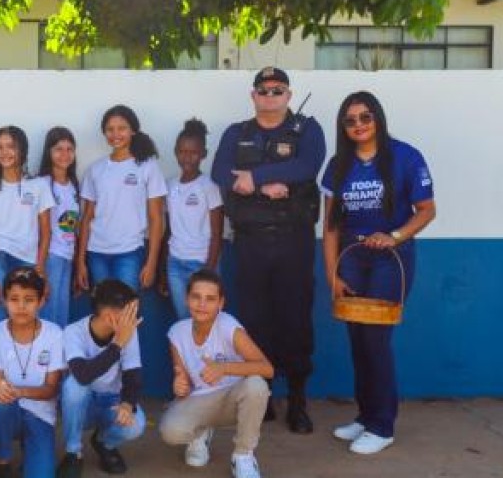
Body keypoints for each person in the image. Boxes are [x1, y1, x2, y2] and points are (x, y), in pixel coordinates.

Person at [210, 67, 326, 434]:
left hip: (294, 241)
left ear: (289, 95)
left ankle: (297, 400)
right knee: (255, 321)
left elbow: (307, 166)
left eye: (278, 90)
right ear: (253, 95)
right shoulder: (237, 133)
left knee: (295, 319)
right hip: (251, 242)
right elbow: (220, 171)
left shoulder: (307, 130)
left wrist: (254, 177)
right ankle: (263, 396)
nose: (270, 96)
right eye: (264, 90)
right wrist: (265, 187)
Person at [321, 91, 436, 455]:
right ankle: (366, 415)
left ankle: (382, 426)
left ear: (378, 119)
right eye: (350, 120)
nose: (358, 125)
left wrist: (394, 236)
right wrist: (332, 274)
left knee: (375, 339)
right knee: (357, 339)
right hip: (353, 257)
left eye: (365, 117)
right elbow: (331, 227)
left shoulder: (406, 156)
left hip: (391, 258)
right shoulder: (338, 164)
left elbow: (427, 209)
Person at [158, 269, 273, 478]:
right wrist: (180, 386)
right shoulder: (176, 332)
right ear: (186, 299)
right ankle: (200, 434)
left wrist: (224, 368)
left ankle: (243, 455)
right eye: (196, 297)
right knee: (170, 431)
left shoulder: (229, 327)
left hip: (232, 398)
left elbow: (267, 369)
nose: (202, 304)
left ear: (221, 303)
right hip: (201, 400)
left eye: (210, 299)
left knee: (257, 385)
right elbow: (184, 382)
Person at [0, 267, 64, 478]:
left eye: (29, 300)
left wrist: (20, 391)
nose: (21, 306)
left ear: (41, 301)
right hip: (10, 411)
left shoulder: (54, 334)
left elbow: (51, 389)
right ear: (4, 300)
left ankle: (32, 452)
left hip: (40, 415)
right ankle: (3, 463)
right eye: (14, 299)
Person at [56, 279, 146, 478]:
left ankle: (104, 443)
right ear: (109, 316)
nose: (136, 319)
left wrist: (127, 405)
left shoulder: (129, 332)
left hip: (110, 402)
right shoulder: (73, 331)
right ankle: (73, 453)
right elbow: (83, 375)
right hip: (82, 405)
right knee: (73, 386)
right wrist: (117, 344)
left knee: (136, 424)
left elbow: (133, 375)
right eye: (131, 313)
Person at [75, 105, 167, 292]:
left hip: (130, 252)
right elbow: (87, 218)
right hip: (96, 252)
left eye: (122, 128)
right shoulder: (96, 169)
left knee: (127, 307)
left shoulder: (147, 166)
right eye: (110, 129)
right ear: (104, 132)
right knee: (103, 307)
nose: (115, 134)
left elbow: (156, 218)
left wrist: (152, 263)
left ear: (133, 130)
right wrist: (81, 261)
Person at [0, 126, 53, 323]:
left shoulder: (38, 185)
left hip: (28, 259)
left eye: (11, 146)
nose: (4, 152)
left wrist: (40, 269)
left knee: (27, 316)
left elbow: (46, 232)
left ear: (22, 150)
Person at [162, 118, 223, 320]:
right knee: (184, 319)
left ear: (203, 154)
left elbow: (217, 234)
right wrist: (163, 270)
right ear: (175, 152)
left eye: (193, 152)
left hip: (201, 263)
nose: (187, 157)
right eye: (182, 151)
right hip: (175, 263)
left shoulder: (209, 186)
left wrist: (209, 271)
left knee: (205, 319)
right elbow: (168, 230)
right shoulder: (169, 186)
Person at [37, 126, 81, 328]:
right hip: (51, 256)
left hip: (67, 255)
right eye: (58, 149)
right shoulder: (43, 183)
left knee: (62, 313)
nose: (65, 154)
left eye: (69, 149)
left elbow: (73, 225)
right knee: (48, 313)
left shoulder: (73, 184)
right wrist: (40, 267)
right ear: (49, 152)